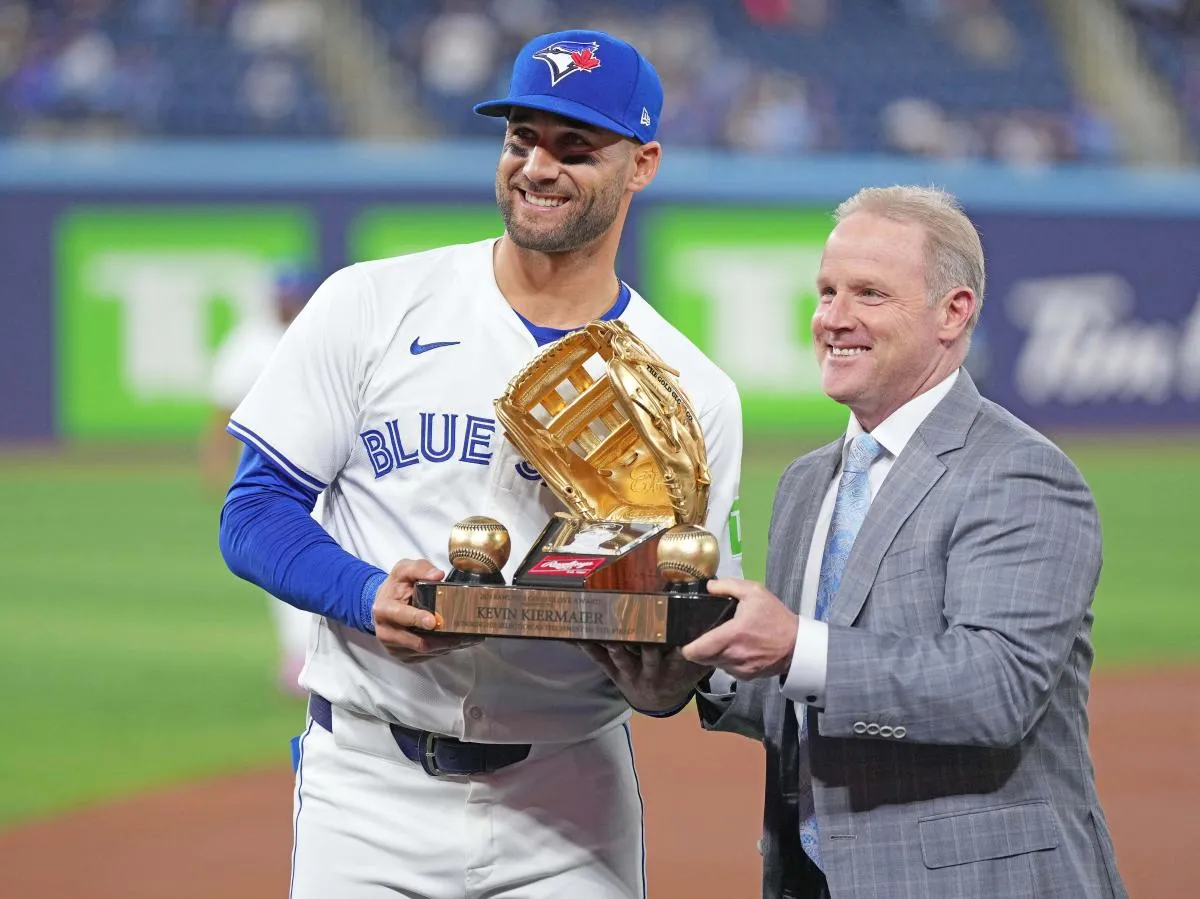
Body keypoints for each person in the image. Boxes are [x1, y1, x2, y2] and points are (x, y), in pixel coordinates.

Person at [218, 29, 743, 899]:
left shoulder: (690, 390)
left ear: (642, 164)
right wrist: (366, 591)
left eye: (575, 147)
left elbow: (690, 615)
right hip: (366, 790)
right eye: (520, 138)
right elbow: (254, 510)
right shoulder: (370, 304)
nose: (537, 165)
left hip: (569, 794)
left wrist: (667, 671)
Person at [682, 186, 1127, 898]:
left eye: (869, 294)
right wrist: (693, 657)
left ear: (953, 312)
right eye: (826, 291)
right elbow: (804, 702)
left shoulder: (1018, 471)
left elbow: (995, 688)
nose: (833, 318)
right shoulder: (808, 482)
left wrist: (798, 645)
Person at [202, 265, 318, 696]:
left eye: (293, 294)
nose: (286, 301)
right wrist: (214, 465)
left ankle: (318, 655)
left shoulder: (319, 330)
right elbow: (221, 409)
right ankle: (298, 657)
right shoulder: (249, 342)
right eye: (282, 294)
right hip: (269, 468)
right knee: (280, 557)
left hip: (320, 464)